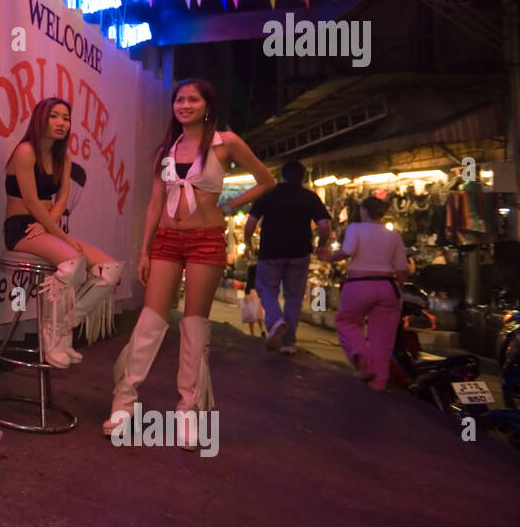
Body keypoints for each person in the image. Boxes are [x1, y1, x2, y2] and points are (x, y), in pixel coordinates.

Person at [105, 78, 275, 446]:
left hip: (205, 240)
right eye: (179, 100)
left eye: (193, 100)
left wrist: (228, 206)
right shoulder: (166, 149)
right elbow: (154, 204)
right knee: (150, 320)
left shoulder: (225, 143)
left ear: (207, 105)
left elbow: (266, 180)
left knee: (195, 325)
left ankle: (188, 411)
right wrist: (145, 250)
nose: (184, 105)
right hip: (167, 240)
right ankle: (124, 401)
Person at [2, 97, 123, 368]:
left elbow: (63, 199)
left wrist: (48, 227)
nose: (61, 123)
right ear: (40, 119)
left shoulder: (62, 157)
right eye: (54, 116)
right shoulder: (25, 151)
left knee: (110, 270)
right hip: (21, 227)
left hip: (44, 226)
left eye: (66, 118)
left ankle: (61, 328)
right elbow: (31, 202)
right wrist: (63, 236)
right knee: (74, 263)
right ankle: (51, 335)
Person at [315, 195, 407, 391]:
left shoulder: (355, 228)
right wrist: (399, 289)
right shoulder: (394, 236)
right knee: (383, 338)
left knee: (346, 322)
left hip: (359, 284)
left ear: (364, 210)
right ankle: (378, 383)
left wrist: (329, 257)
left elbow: (347, 251)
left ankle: (361, 359)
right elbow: (401, 269)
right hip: (388, 287)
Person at [243, 159, 332, 355]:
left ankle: (276, 322)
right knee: (294, 298)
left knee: (266, 290)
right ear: (302, 177)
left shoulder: (268, 194)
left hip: (270, 253)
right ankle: (288, 343)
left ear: (281, 176)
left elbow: (250, 224)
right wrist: (321, 245)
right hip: (300, 254)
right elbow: (325, 226)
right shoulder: (310, 197)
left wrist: (248, 244)